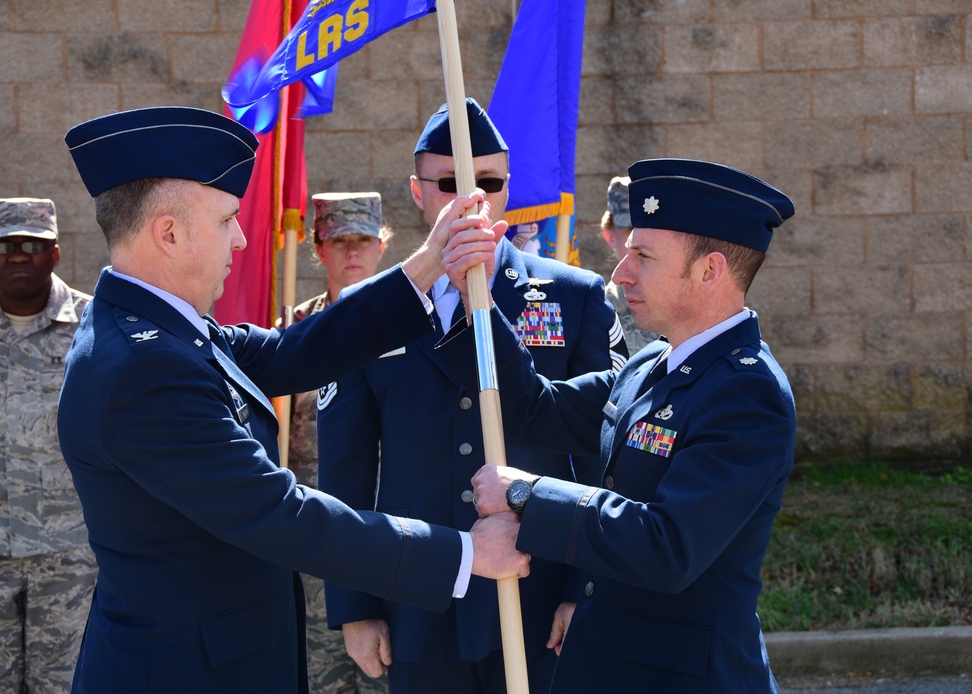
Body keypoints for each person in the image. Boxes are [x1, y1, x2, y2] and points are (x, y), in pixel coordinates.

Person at [57, 105, 528, 693]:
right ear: (169, 234)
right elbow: (279, 512)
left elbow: (291, 351)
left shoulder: (163, 330)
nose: (242, 235)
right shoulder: (144, 365)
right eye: (228, 218)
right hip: (184, 672)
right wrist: (465, 553)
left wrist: (430, 262)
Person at [440, 158, 797, 692]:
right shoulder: (649, 364)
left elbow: (668, 547)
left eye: (643, 256)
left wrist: (529, 497)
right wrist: (481, 304)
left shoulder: (748, 393)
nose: (620, 272)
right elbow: (535, 411)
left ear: (710, 271)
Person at [317, 98, 629, 694]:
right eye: (451, 181)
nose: (473, 196)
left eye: (489, 180)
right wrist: (355, 605)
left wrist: (581, 589)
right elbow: (346, 471)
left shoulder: (572, 296)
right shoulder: (370, 311)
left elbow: (600, 455)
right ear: (417, 191)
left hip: (539, 591)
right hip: (419, 595)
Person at [0, 198, 96, 693]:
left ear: (56, 253)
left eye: (32, 244)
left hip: (68, 550)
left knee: (64, 684)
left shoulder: (95, 325)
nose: (18, 255)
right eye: (4, 246)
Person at [286, 191, 392, 694]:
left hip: (389, 532)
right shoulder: (290, 336)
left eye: (364, 240)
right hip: (314, 539)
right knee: (321, 677)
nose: (353, 252)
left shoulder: (412, 328)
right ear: (319, 249)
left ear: (382, 247)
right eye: (339, 240)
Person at [601, 176, 659, 355]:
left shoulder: (692, 306)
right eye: (631, 230)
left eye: (652, 230)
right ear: (610, 236)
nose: (641, 240)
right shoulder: (597, 312)